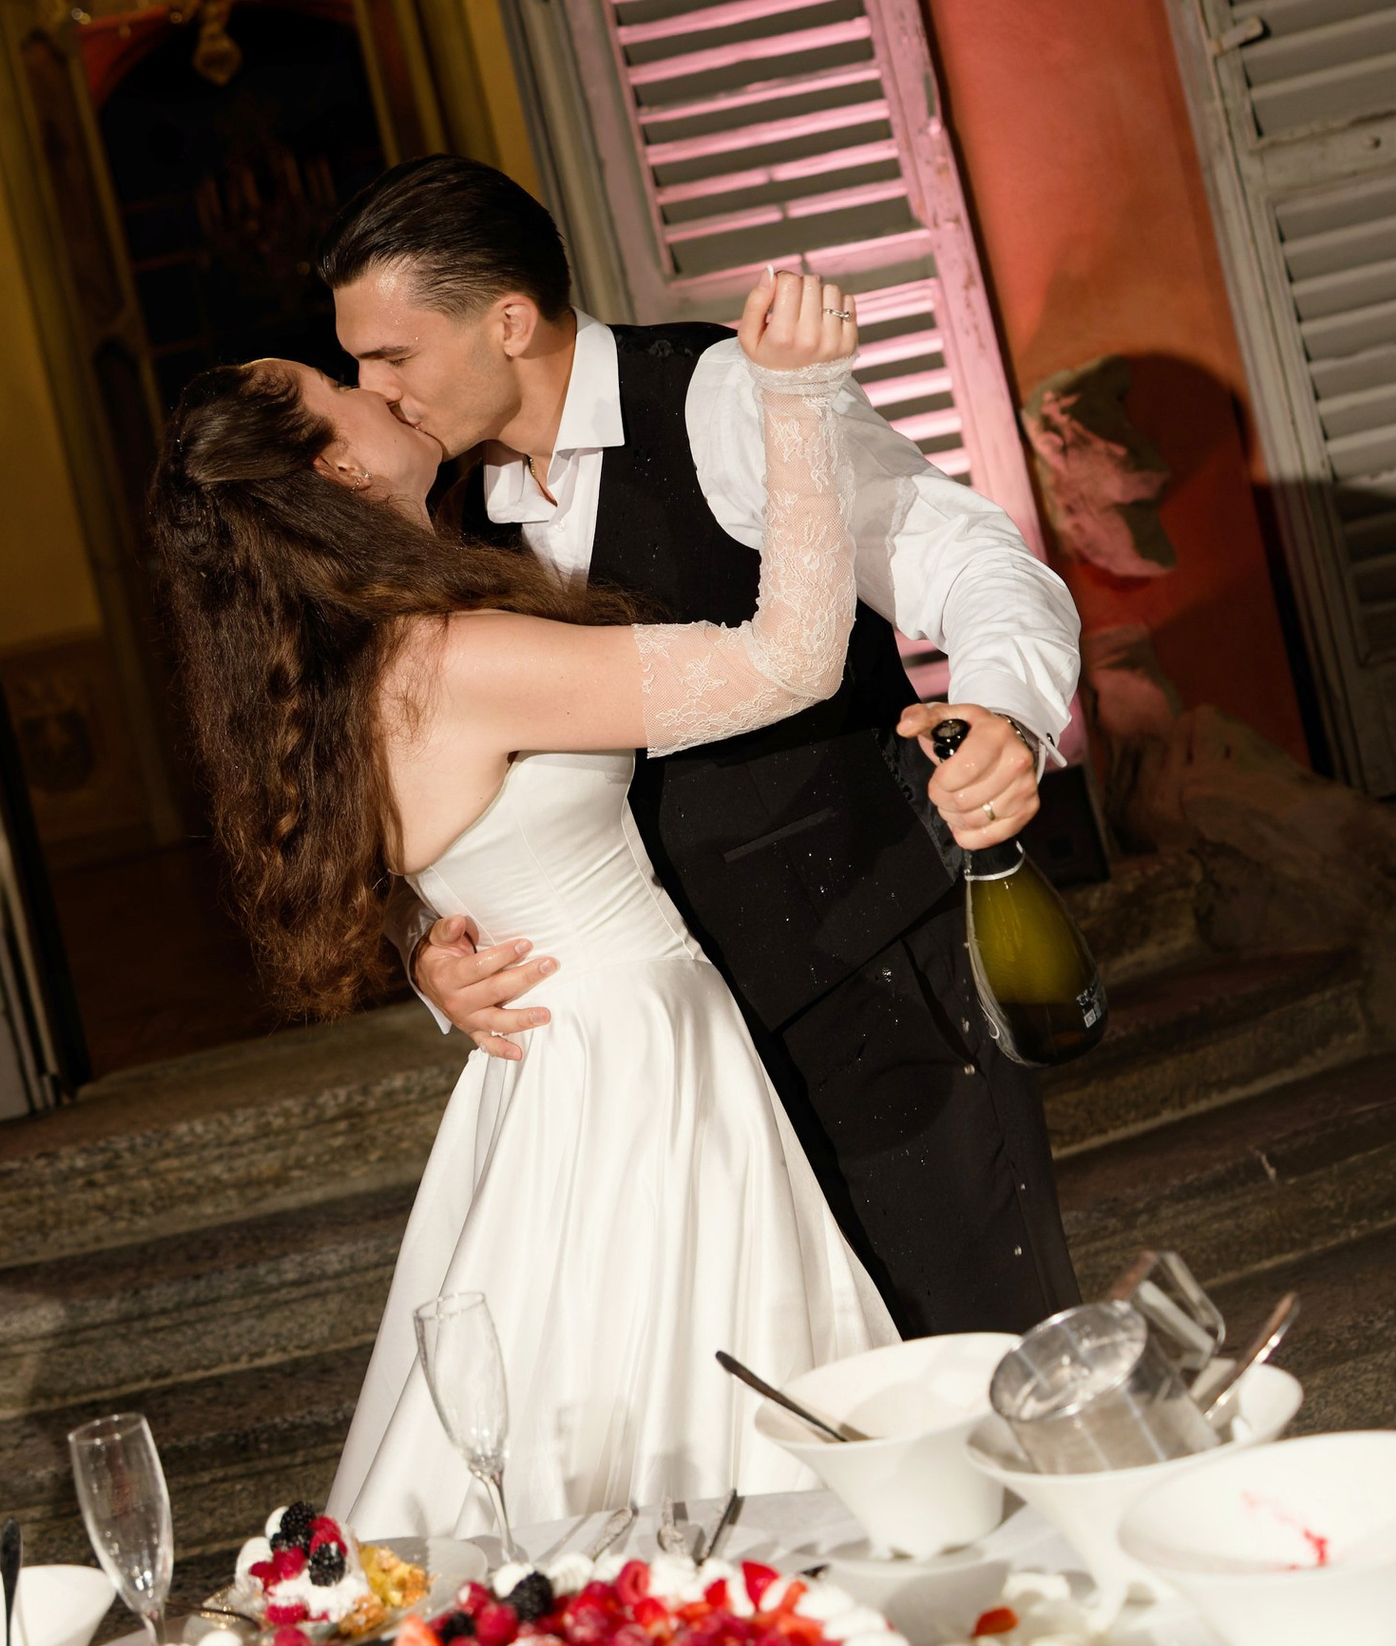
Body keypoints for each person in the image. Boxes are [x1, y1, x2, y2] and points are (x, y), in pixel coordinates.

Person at [145, 264, 900, 1534]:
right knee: (701, 1432)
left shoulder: (341, 673)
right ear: (338, 469)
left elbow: (428, 864)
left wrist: (426, 949)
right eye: (342, 384)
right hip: (629, 1057)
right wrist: (799, 400)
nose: (380, 386)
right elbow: (791, 660)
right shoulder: (453, 659)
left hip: (562, 1057)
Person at [319, 157, 1084, 1339]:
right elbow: (434, 786)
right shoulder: (438, 511)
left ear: (507, 320)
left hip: (872, 980)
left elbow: (966, 555)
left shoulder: (728, 396)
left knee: (985, 1359)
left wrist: (1004, 710)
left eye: (392, 357)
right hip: (675, 1072)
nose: (373, 393)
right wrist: (429, 951)